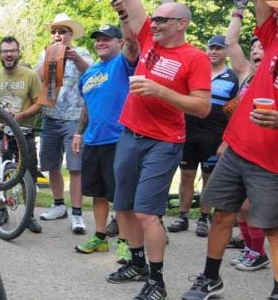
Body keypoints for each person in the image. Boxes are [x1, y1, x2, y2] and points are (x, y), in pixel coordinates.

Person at [105, 1, 212, 299]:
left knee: (147, 213)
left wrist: (160, 91)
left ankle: (157, 281)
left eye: (163, 20)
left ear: (182, 24)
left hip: (164, 141)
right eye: (155, 19)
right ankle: (136, 263)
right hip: (129, 134)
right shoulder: (150, 41)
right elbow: (133, 7)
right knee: (123, 206)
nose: (155, 24)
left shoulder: (196, 58)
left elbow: (202, 107)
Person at [180, 0, 278, 299]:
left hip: (271, 161)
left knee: (273, 229)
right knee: (222, 214)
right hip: (238, 148)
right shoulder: (273, 38)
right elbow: (263, 6)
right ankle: (211, 278)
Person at [70, 25, 137, 265]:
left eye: (107, 39)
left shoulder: (123, 64)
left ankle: (125, 243)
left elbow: (134, 44)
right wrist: (79, 133)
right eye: (98, 39)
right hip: (93, 140)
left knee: (120, 196)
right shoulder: (89, 73)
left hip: (118, 139)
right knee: (97, 194)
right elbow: (87, 106)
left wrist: (125, 15)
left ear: (119, 42)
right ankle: (100, 238)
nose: (101, 42)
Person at [167, 34, 239, 238]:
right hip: (189, 131)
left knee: (209, 178)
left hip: (214, 135)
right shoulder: (196, 70)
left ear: (226, 52)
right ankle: (182, 215)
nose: (214, 51)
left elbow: (235, 112)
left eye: (219, 48)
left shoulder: (232, 77)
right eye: (211, 48)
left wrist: (227, 139)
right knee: (186, 175)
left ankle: (203, 217)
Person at [34, 14, 93, 235]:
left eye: (62, 31)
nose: (57, 35)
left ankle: (77, 213)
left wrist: (74, 58)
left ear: (70, 35)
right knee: (52, 165)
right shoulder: (46, 53)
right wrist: (52, 58)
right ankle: (58, 204)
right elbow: (37, 77)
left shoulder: (83, 53)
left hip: (75, 119)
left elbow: (93, 74)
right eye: (54, 31)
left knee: (75, 167)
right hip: (50, 117)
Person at [219, 3, 267, 272]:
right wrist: (239, 9)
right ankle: (252, 250)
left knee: (250, 206)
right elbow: (231, 42)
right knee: (239, 206)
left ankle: (258, 252)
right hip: (241, 149)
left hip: (266, 152)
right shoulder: (247, 75)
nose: (257, 50)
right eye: (254, 47)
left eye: (263, 46)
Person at [0, 36, 44, 234]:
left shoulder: (30, 75)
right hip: (0, 131)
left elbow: (39, 104)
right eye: (4, 51)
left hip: (23, 132)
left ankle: (29, 216)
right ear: (0, 54)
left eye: (12, 50)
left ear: (18, 52)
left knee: (28, 175)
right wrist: (2, 115)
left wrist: (19, 116)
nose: (8, 54)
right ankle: (2, 210)